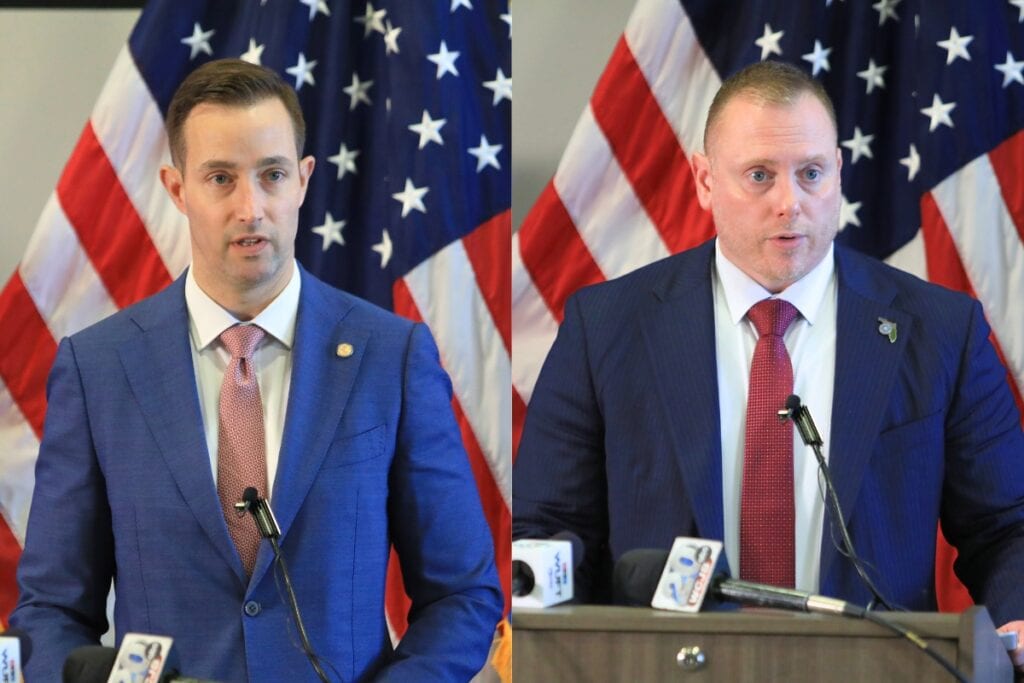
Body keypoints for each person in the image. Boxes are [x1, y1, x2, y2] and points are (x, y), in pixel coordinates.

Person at [513, 60, 1024, 669]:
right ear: (705, 181)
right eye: (759, 175)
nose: (791, 203)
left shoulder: (941, 331)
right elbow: (550, 524)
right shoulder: (606, 326)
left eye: (811, 174)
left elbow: (1006, 525)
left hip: (874, 673)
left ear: (838, 171)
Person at [11, 59, 502, 682]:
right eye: (220, 178)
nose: (251, 208)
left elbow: (463, 594)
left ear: (302, 182)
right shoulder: (99, 369)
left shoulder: (391, 356)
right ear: (176, 189)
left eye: (271, 176)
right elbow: (51, 612)